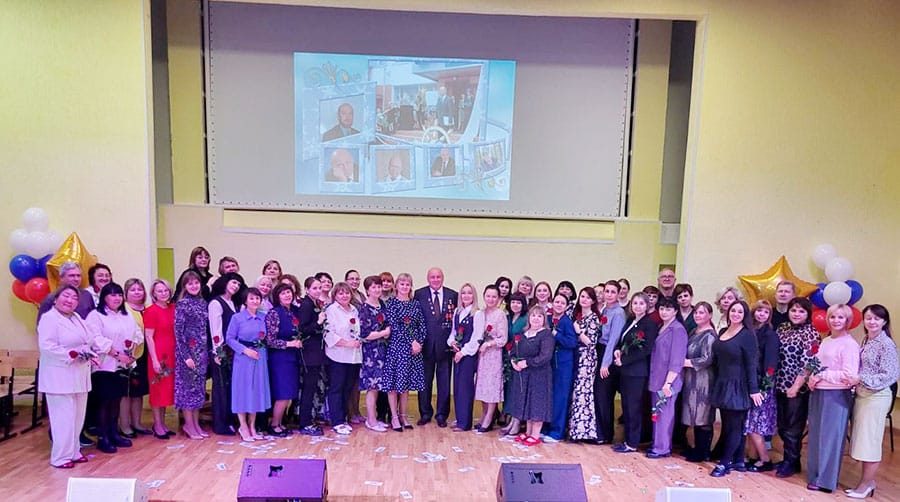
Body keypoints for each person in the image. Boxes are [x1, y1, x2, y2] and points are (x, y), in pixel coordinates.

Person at [38, 285, 106, 468]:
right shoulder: (49, 318)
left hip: (80, 375)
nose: (70, 300)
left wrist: (90, 353)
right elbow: (47, 346)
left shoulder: (76, 318)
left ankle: (74, 451)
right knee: (63, 419)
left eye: (74, 298)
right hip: (59, 376)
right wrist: (72, 355)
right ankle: (60, 457)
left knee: (77, 418)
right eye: (66, 296)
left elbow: (88, 341)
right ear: (55, 299)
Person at [845, 304, 899, 498]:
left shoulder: (886, 344)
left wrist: (860, 378)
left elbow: (890, 375)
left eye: (877, 318)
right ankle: (867, 481)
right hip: (863, 395)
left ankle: (866, 485)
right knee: (862, 441)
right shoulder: (867, 339)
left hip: (876, 397)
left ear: (884, 321)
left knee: (870, 443)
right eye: (868, 318)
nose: (872, 322)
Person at [805, 304, 860, 493]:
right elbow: (817, 365)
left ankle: (826, 481)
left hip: (836, 395)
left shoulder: (850, 344)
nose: (836, 320)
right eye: (833, 317)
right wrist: (812, 377)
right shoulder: (827, 340)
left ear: (847, 320)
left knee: (830, 438)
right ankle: (814, 475)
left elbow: (848, 375)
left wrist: (821, 375)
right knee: (816, 436)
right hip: (819, 392)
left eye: (840, 317)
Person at [85, 283, 143, 454]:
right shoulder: (96, 316)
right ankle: (102, 437)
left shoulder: (126, 315)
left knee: (116, 401)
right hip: (104, 366)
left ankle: (113, 433)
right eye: (112, 295)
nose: (116, 298)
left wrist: (131, 351)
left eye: (119, 294)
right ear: (104, 297)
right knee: (104, 402)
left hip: (122, 365)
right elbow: (95, 339)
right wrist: (117, 354)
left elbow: (137, 334)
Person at [709, 301, 763, 477]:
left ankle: (724, 464)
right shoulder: (723, 332)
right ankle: (738, 460)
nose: (736, 314)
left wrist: (754, 390)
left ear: (745, 315)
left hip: (738, 385)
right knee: (728, 425)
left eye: (740, 312)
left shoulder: (747, 335)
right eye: (733, 310)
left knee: (734, 427)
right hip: (723, 383)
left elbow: (751, 364)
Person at [773, 297, 819, 478]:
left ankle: (791, 462)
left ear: (808, 314)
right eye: (793, 310)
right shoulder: (782, 328)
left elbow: (810, 364)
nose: (796, 314)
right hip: (779, 384)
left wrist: (796, 386)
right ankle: (791, 459)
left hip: (797, 389)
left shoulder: (811, 333)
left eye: (801, 311)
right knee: (782, 425)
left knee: (793, 427)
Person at [613, 293, 659, 453]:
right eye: (635, 303)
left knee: (634, 408)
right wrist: (618, 350)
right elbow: (623, 342)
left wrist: (624, 360)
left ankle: (633, 443)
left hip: (637, 372)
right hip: (625, 371)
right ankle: (627, 440)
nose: (637, 306)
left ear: (647, 306)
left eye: (641, 303)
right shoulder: (631, 321)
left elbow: (646, 349)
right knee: (626, 406)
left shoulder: (649, 324)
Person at [413, 267, 458, 428]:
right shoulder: (419, 294)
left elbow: (456, 321)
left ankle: (441, 415)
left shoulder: (453, 295)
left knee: (444, 383)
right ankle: (425, 414)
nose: (435, 279)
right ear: (428, 279)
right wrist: (416, 341)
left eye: (438, 276)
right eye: (432, 277)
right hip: (425, 346)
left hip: (445, 346)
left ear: (442, 278)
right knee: (424, 382)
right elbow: (415, 320)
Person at [506, 305, 555, 446]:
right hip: (524, 375)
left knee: (537, 403)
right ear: (529, 318)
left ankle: (535, 434)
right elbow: (514, 351)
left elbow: (545, 356)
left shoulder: (546, 335)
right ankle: (528, 432)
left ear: (544, 319)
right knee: (527, 402)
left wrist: (527, 363)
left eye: (540, 316)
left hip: (539, 375)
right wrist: (513, 361)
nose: (536, 318)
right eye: (533, 315)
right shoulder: (523, 334)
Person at [383, 273, 427, 431]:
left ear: (411, 286)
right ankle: (394, 417)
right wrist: (411, 342)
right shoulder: (392, 303)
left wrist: (419, 343)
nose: (404, 287)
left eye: (407, 284)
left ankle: (403, 415)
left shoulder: (415, 304)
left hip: (414, 350)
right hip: (398, 348)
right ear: (396, 286)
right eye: (402, 284)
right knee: (394, 384)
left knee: (406, 384)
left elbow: (422, 324)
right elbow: (394, 326)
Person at [226, 287, 271, 442]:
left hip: (260, 357)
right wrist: (245, 350)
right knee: (243, 391)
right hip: (243, 359)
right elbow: (229, 338)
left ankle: (253, 426)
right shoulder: (237, 318)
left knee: (256, 391)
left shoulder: (264, 317)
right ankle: (243, 426)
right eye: (251, 298)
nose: (255, 301)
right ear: (245, 300)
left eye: (257, 298)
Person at [646, 297, 688, 458]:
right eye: (662, 309)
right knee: (657, 413)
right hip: (657, 377)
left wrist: (668, 382)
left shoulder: (677, 329)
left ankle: (662, 448)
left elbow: (677, 359)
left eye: (668, 309)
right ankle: (657, 443)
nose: (664, 312)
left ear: (675, 311)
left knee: (665, 414)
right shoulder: (661, 326)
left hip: (668, 379)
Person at [745, 300, 780, 472]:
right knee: (750, 424)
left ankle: (765, 459)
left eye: (766, 312)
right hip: (749, 382)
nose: (762, 314)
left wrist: (764, 386)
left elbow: (771, 364)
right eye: (759, 310)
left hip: (762, 385)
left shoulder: (770, 335)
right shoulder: (749, 331)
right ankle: (752, 457)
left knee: (755, 425)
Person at [174, 271, 209, 440]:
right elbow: (178, 333)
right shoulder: (182, 304)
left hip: (201, 353)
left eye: (196, 282)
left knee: (198, 391)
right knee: (188, 391)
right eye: (190, 283)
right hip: (187, 355)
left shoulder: (203, 302)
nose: (194, 286)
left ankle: (196, 424)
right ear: (184, 286)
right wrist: (186, 356)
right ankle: (188, 424)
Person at [324, 282, 363, 435]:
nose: (344, 296)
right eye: (341, 293)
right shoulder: (331, 310)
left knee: (348, 388)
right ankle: (337, 421)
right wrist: (347, 343)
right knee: (337, 388)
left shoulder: (354, 309)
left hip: (353, 356)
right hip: (337, 355)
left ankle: (344, 418)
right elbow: (329, 333)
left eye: (347, 293)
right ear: (335, 295)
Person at [265, 284, 304, 437]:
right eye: (283, 293)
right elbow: (270, 340)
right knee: (282, 393)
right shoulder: (274, 313)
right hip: (280, 358)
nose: (287, 295)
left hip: (293, 357)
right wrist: (289, 344)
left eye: (288, 292)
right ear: (277, 297)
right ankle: (274, 424)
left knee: (289, 393)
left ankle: (280, 423)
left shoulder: (294, 311)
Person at [208, 273, 244, 436]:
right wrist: (218, 352)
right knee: (221, 387)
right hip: (221, 351)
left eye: (238, 284)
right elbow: (215, 330)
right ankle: (220, 424)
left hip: (233, 350)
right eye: (234, 282)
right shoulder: (216, 303)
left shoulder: (234, 303)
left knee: (230, 386)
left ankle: (230, 420)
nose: (236, 286)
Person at [681, 301, 717, 462]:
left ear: (710, 315)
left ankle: (703, 452)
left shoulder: (710, 335)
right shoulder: (694, 331)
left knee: (703, 416)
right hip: (691, 378)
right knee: (694, 415)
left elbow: (707, 359)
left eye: (701, 312)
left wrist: (685, 362)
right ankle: (696, 449)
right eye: (696, 312)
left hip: (704, 380)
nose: (697, 315)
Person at [143, 279, 177, 439]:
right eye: (159, 291)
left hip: (172, 354)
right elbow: (149, 337)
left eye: (165, 290)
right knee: (157, 390)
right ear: (154, 294)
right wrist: (155, 360)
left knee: (166, 391)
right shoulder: (151, 311)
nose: (163, 293)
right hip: (158, 354)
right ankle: (157, 424)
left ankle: (163, 423)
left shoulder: (173, 308)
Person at [472, 285, 509, 432]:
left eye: (494, 296)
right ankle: (484, 414)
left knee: (491, 387)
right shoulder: (480, 313)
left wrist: (488, 344)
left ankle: (489, 418)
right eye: (488, 296)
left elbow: (503, 339)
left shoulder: (500, 315)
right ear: (484, 296)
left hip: (493, 354)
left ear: (498, 298)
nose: (491, 299)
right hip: (482, 356)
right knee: (482, 386)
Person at [568, 287, 602, 442]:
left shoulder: (594, 318)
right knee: (576, 393)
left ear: (593, 301)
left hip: (587, 358)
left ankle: (583, 432)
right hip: (576, 356)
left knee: (583, 393)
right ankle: (574, 429)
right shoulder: (577, 315)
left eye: (588, 297)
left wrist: (579, 332)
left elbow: (591, 342)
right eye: (582, 296)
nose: (584, 300)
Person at [358, 276, 391, 432]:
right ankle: (371, 420)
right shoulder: (364, 309)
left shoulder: (382, 305)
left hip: (383, 350)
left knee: (378, 386)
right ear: (367, 290)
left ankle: (375, 418)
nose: (377, 289)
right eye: (373, 287)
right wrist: (383, 333)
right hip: (371, 352)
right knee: (372, 387)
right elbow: (364, 334)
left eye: (379, 286)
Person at [596, 280, 626, 444]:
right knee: (598, 395)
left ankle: (606, 434)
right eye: (606, 291)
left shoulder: (618, 313)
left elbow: (614, 340)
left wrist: (605, 363)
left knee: (605, 396)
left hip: (608, 355)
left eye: (613, 292)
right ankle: (598, 431)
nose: (608, 295)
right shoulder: (604, 310)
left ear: (618, 294)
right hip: (599, 351)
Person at [296, 276, 327, 436]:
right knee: (308, 389)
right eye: (314, 288)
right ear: (307, 290)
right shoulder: (306, 305)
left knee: (312, 388)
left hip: (316, 352)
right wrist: (319, 322)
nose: (318, 291)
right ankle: (305, 423)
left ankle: (308, 420)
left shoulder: (315, 304)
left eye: (319, 288)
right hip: (309, 353)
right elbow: (302, 329)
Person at [544, 294, 577, 441]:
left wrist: (556, 335)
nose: (559, 305)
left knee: (560, 398)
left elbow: (572, 342)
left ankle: (557, 431)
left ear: (567, 306)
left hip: (563, 365)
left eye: (562, 303)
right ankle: (545, 427)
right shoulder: (548, 319)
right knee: (548, 397)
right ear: (552, 303)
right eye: (556, 301)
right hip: (549, 364)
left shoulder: (567, 322)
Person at [120, 278, 151, 437]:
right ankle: (125, 426)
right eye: (133, 290)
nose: (137, 292)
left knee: (139, 392)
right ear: (126, 293)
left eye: (140, 289)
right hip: (130, 355)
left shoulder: (148, 308)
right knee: (126, 392)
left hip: (145, 354)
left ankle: (137, 423)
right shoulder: (123, 309)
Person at [448, 283, 479, 432]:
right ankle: (460, 418)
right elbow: (453, 332)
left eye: (469, 293)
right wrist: (452, 343)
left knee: (465, 388)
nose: (466, 295)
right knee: (457, 387)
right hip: (457, 353)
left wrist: (463, 352)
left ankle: (465, 423)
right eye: (464, 293)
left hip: (468, 355)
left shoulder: (477, 314)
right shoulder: (457, 311)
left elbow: (476, 338)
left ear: (474, 296)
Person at [500, 292, 528, 436]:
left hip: (519, 358)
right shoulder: (508, 317)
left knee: (518, 391)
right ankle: (511, 420)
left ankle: (517, 422)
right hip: (507, 357)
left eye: (518, 302)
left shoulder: (526, 319)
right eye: (513, 302)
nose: (515, 305)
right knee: (509, 390)